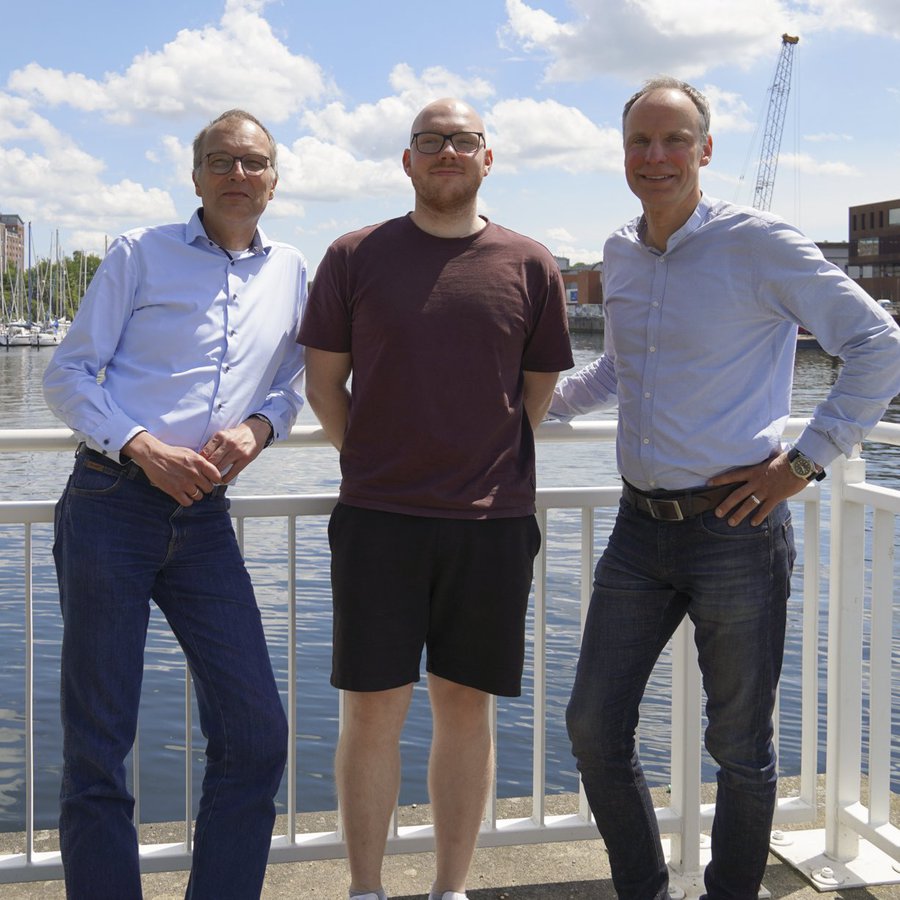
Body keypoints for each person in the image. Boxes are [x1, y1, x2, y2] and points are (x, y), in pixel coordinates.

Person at [550, 76, 900, 900]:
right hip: (640, 528)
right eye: (642, 141)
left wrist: (804, 463)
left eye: (676, 140)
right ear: (623, 153)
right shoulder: (621, 251)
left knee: (740, 744)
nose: (657, 156)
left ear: (706, 151)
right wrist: (528, 408)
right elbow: (616, 368)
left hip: (736, 527)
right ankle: (643, 889)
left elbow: (879, 346)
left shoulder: (760, 243)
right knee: (593, 726)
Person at [298, 98, 573, 900]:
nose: (446, 151)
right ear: (408, 161)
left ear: (488, 159)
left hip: (491, 525)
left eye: (463, 140)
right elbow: (324, 385)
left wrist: (470, 464)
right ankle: (366, 889)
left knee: (466, 709)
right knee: (371, 712)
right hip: (379, 520)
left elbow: (535, 394)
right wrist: (384, 461)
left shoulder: (531, 263)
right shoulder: (354, 255)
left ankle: (452, 889)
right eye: (431, 141)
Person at [43, 108, 307, 899]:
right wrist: (140, 445)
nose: (238, 174)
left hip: (205, 522)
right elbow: (68, 377)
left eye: (253, 162)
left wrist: (260, 428)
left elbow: (296, 386)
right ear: (194, 176)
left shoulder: (292, 270)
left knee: (256, 733)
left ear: (273, 180)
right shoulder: (140, 253)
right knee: (100, 742)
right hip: (110, 505)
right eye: (221, 161)